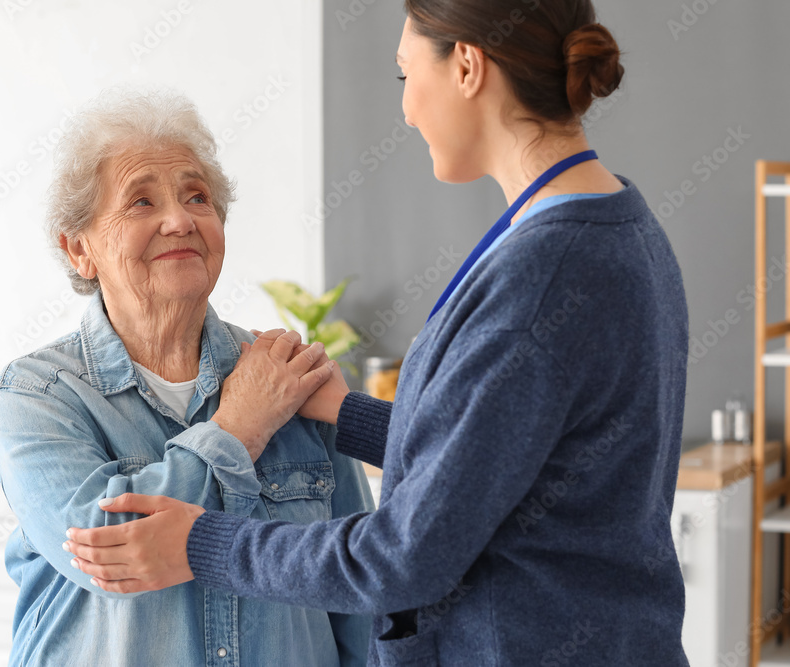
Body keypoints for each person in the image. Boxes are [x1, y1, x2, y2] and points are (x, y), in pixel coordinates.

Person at [62, 1, 692, 665]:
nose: (408, 110)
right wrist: (346, 414)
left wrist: (199, 543)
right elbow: (497, 461)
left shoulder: (538, 278)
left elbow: (402, 556)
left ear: (469, 66)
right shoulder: (620, 227)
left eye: (404, 76)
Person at [0, 87, 375, 667]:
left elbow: (358, 580)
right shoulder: (35, 394)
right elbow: (106, 544)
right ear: (79, 249)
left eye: (198, 197)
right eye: (140, 202)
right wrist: (238, 428)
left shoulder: (289, 372)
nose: (179, 220)